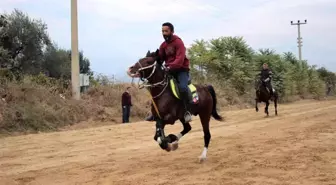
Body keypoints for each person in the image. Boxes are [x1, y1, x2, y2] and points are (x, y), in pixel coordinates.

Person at [158, 22, 192, 122]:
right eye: (163, 31)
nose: (164, 33)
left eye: (166, 31)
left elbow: (180, 60)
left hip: (181, 70)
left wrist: (169, 67)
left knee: (183, 88)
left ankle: (187, 111)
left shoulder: (178, 42)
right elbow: (160, 59)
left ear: (172, 31)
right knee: (158, 88)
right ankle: (155, 112)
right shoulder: (163, 45)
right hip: (169, 71)